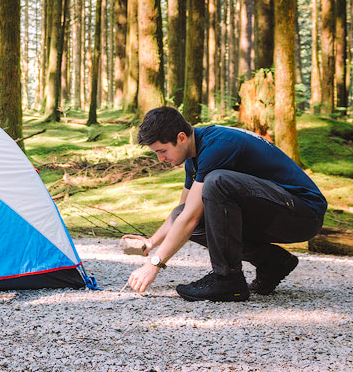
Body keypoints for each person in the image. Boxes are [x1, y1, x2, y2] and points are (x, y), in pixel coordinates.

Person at [123, 106, 326, 302]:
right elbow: (182, 213)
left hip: (304, 214)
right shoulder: (194, 156)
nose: (160, 159)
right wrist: (151, 242)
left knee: (217, 181)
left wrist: (154, 264)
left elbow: (190, 218)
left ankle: (227, 280)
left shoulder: (217, 145)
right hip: (275, 211)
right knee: (187, 213)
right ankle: (273, 262)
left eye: (162, 150)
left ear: (181, 138)